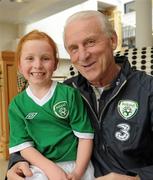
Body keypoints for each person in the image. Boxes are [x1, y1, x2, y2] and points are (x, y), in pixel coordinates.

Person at [6, 10, 153, 180]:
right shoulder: (68, 91)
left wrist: (137, 179)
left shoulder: (147, 90)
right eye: (73, 48)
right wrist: (16, 163)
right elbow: (36, 136)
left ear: (112, 41)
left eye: (90, 42)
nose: (83, 56)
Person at [8, 30, 95, 180]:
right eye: (30, 58)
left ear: (55, 64)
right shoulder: (17, 105)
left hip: (76, 164)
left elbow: (85, 137)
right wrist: (51, 169)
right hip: (41, 165)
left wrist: (77, 172)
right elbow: (24, 146)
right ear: (19, 66)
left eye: (45, 58)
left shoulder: (69, 94)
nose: (38, 65)